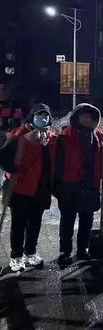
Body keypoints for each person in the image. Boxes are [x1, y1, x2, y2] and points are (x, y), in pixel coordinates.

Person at [0, 104, 56, 272]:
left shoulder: (50, 138)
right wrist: (27, 141)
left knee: (35, 222)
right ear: (32, 117)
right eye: (40, 115)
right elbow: (5, 160)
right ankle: (16, 256)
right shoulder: (18, 136)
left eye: (46, 116)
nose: (43, 119)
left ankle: (30, 252)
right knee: (19, 224)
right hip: (19, 188)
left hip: (40, 188)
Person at [54, 104, 103, 265]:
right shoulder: (66, 135)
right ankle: (65, 251)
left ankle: (83, 249)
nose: (86, 119)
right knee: (67, 220)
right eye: (83, 116)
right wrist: (57, 183)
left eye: (90, 117)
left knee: (86, 220)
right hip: (70, 184)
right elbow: (58, 160)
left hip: (90, 184)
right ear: (76, 117)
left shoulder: (97, 136)